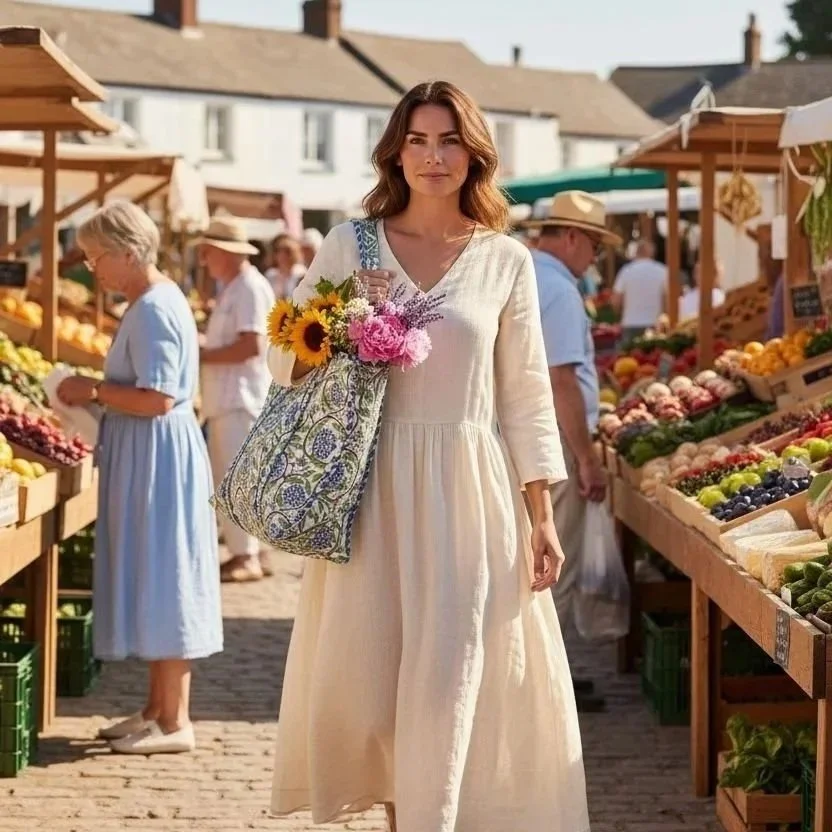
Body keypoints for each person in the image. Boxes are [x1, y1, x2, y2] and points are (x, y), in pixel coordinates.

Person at [268, 81, 589, 832]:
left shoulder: (505, 260)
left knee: (448, 685)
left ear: (473, 155)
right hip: (369, 489)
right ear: (397, 152)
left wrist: (541, 516)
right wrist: (343, 328)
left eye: (448, 141)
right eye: (418, 141)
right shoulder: (352, 242)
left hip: (469, 493)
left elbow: (524, 396)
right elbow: (285, 354)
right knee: (371, 686)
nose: (433, 157)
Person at [56, 201, 222, 754]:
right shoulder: (153, 300)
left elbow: (157, 397)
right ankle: (157, 709)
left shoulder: (152, 308)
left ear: (127, 253)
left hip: (156, 456)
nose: (91, 269)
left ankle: (175, 721)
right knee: (157, 572)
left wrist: (92, 390)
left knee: (163, 574)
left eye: (97, 257)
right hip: (151, 453)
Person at [528, 190, 617, 713]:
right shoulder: (559, 290)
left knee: (534, 560)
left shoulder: (527, 274)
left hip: (534, 434)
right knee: (552, 562)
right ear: (572, 238)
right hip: (557, 437)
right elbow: (562, 379)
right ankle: (546, 689)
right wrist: (586, 458)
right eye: (595, 247)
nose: (595, 260)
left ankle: (545, 679)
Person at [198, 216, 276, 583]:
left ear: (224, 253)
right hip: (231, 398)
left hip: (239, 399)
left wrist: (202, 354)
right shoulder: (237, 286)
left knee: (233, 480)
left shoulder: (247, 288)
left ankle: (245, 555)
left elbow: (251, 344)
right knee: (241, 478)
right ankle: (254, 551)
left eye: (208, 251)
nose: (204, 259)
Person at [611, 238, 667, 342]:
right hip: (655, 324)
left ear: (637, 252)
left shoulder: (626, 271)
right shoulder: (662, 271)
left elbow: (616, 301)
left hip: (630, 323)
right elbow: (667, 298)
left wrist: (619, 315)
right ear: (652, 253)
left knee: (629, 357)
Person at [265, 233, 306, 299]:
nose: (282, 255)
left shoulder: (301, 273)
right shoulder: (270, 275)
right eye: (278, 251)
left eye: (287, 251)